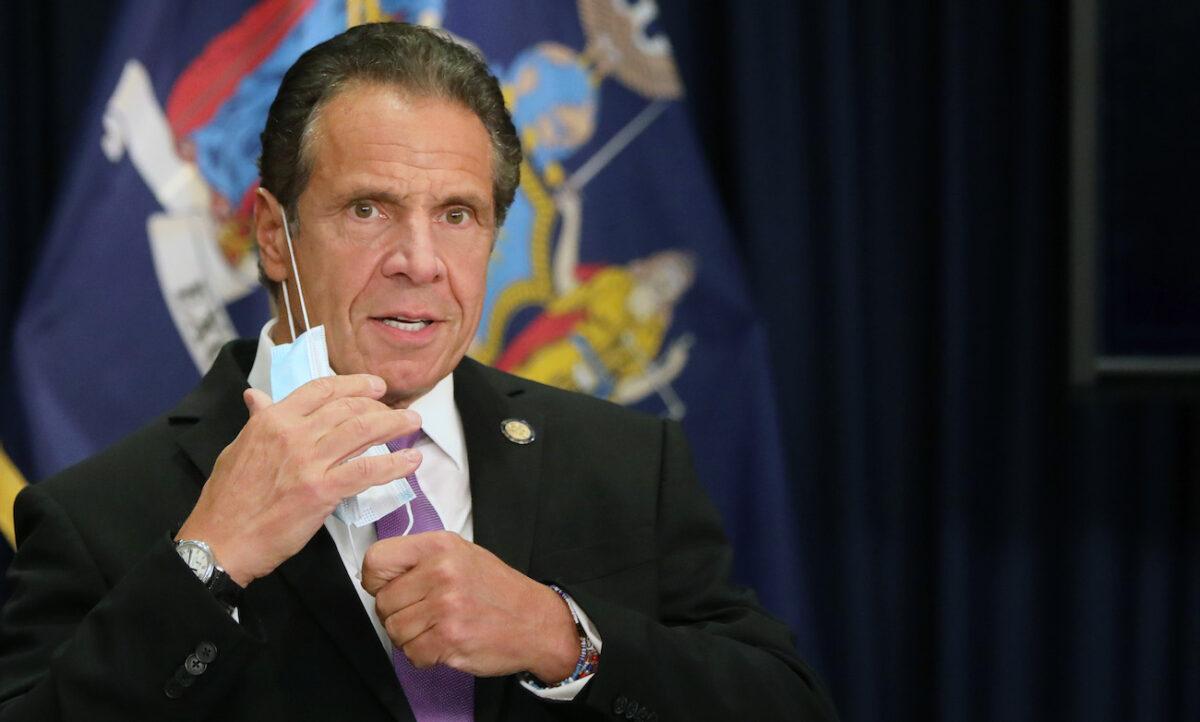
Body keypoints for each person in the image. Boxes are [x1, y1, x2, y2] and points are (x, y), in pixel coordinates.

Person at [0, 22, 837, 722]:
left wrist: (560, 637)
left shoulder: (625, 465)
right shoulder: (100, 514)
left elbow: (786, 705)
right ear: (270, 234)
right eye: (368, 209)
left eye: (458, 215)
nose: (420, 262)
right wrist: (205, 565)